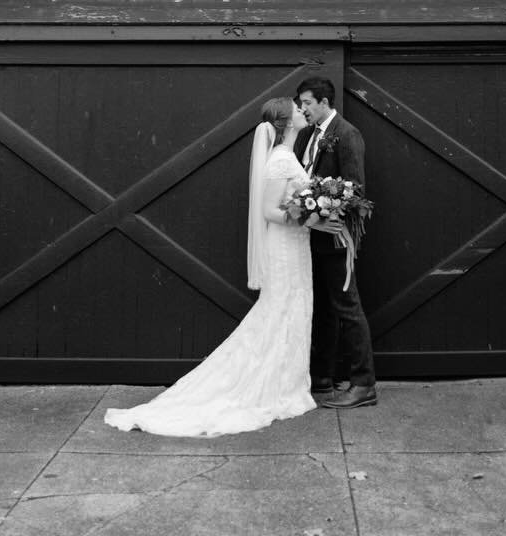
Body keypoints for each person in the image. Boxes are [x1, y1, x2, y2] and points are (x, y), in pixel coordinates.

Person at [102, 97, 336, 436]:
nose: (303, 111)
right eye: (297, 109)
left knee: (293, 309)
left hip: (294, 246)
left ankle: (287, 383)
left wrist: (311, 212)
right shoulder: (281, 161)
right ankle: (274, 388)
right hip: (284, 247)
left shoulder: (287, 156)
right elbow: (270, 211)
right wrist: (310, 217)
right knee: (281, 309)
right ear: (286, 122)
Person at [296, 76, 378, 409]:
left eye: (307, 104)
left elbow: (355, 190)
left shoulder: (347, 134)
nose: (303, 110)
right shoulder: (305, 136)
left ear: (325, 103)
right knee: (323, 310)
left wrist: (329, 210)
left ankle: (363, 384)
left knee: (348, 308)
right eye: (301, 105)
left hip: (336, 240)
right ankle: (322, 380)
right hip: (310, 239)